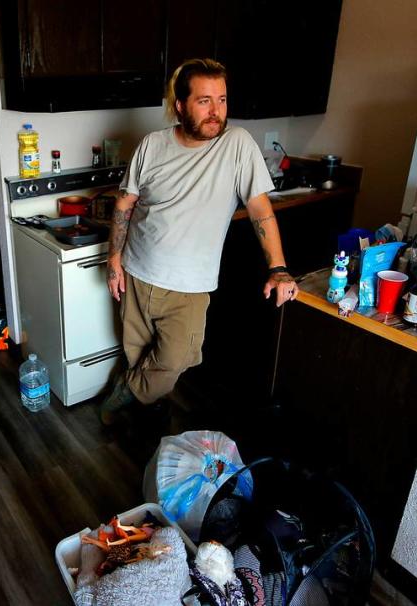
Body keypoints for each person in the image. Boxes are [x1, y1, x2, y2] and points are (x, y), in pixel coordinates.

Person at [99, 58, 299, 425]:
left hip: (189, 286)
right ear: (180, 105)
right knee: (137, 351)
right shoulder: (152, 146)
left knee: (177, 359)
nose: (216, 112)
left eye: (222, 100)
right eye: (204, 100)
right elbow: (125, 204)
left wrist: (279, 267)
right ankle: (147, 408)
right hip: (137, 272)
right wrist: (114, 259)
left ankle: (127, 392)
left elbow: (259, 208)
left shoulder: (236, 145)